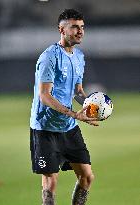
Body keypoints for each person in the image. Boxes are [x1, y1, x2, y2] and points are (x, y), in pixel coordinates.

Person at [30, 8, 99, 205]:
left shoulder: (79, 57)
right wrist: (74, 114)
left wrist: (91, 107)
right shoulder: (49, 57)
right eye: (75, 27)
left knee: (87, 177)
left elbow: (78, 91)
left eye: (82, 27)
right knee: (50, 182)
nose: (80, 31)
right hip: (45, 129)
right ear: (61, 30)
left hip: (68, 127)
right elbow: (44, 96)